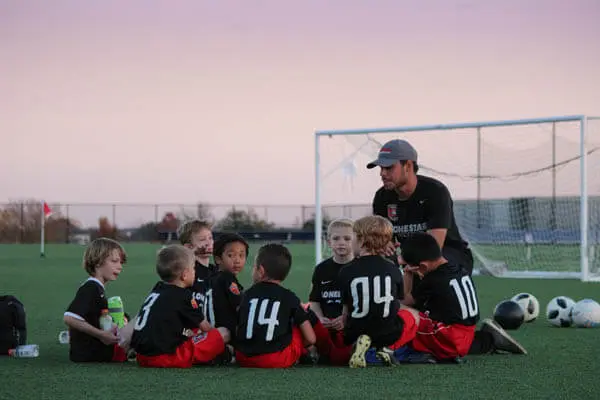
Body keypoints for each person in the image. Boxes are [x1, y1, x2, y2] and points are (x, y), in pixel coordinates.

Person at [367, 139, 473, 305]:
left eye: (389, 168)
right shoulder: (382, 197)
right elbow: (382, 239)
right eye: (381, 168)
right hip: (410, 257)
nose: (382, 173)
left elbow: (433, 247)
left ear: (408, 166)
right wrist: (384, 244)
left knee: (431, 268)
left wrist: (404, 261)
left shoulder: (435, 192)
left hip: (446, 255)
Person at [401, 233, 527, 358]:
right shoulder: (458, 268)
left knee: (403, 313)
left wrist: (407, 273)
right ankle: (488, 340)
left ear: (423, 266)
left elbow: (405, 301)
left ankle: (385, 345)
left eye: (414, 267)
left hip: (449, 339)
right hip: (467, 333)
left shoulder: (433, 279)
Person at [338, 215, 420, 368]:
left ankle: (360, 344)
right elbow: (398, 301)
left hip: (355, 331)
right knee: (412, 316)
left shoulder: (346, 271)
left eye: (353, 237)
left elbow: (346, 309)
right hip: (387, 332)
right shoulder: (393, 269)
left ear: (361, 240)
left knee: (350, 321)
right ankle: (386, 348)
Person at [130, 245, 230, 368]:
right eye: (193, 268)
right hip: (165, 357)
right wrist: (216, 343)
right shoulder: (184, 296)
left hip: (142, 357)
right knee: (222, 333)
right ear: (184, 275)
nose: (195, 272)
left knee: (193, 332)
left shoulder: (157, 289)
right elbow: (206, 328)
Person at [235, 244, 316, 368]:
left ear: (261, 271)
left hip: (243, 358)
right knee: (297, 324)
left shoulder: (245, 295)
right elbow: (311, 339)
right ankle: (304, 354)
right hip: (276, 359)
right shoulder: (289, 297)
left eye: (254, 267)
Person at [63, 238, 129, 363]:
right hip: (91, 354)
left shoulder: (97, 288)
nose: (120, 267)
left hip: (92, 352)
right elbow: (69, 318)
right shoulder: (91, 288)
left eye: (121, 262)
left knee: (127, 319)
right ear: (98, 262)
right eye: (114, 261)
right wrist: (101, 335)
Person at [308, 218, 354, 345]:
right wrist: (320, 318)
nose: (341, 243)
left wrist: (346, 318)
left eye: (347, 239)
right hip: (326, 325)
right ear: (329, 242)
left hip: (351, 325)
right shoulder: (321, 269)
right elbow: (314, 301)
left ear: (356, 241)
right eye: (336, 238)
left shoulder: (360, 267)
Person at [205, 233, 248, 338]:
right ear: (218, 259)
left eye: (241, 255)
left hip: (211, 333)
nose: (237, 260)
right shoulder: (227, 278)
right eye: (231, 255)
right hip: (224, 336)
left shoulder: (213, 277)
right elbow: (241, 306)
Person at [178, 219, 217, 315]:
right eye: (203, 240)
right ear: (189, 247)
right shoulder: (186, 274)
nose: (209, 243)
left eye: (210, 238)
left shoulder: (216, 271)